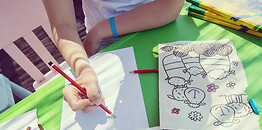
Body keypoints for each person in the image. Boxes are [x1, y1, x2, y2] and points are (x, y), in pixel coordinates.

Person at [42, 0, 184, 113]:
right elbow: (62, 25)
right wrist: (83, 71)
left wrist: (100, 30)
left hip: (158, 26)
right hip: (106, 47)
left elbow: (171, 5)